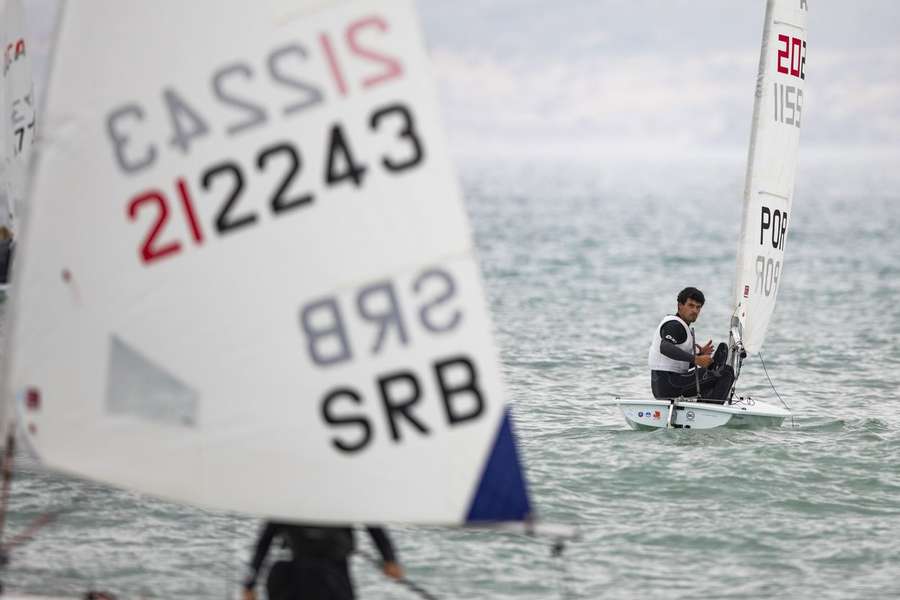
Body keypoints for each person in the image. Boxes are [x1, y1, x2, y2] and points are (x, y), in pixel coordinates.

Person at [242, 523, 403, 600]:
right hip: (298, 577)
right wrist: (249, 584)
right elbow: (264, 542)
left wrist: (389, 558)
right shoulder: (288, 496)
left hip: (335, 573)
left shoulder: (344, 492)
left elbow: (372, 524)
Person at [647, 286, 735, 402]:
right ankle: (709, 411)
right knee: (726, 372)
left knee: (713, 371)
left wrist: (699, 357)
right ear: (680, 306)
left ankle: (704, 403)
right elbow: (665, 347)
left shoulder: (679, 325)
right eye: (691, 305)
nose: (695, 311)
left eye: (698, 307)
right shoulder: (675, 325)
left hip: (664, 386)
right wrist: (696, 360)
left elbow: (676, 364)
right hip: (669, 385)